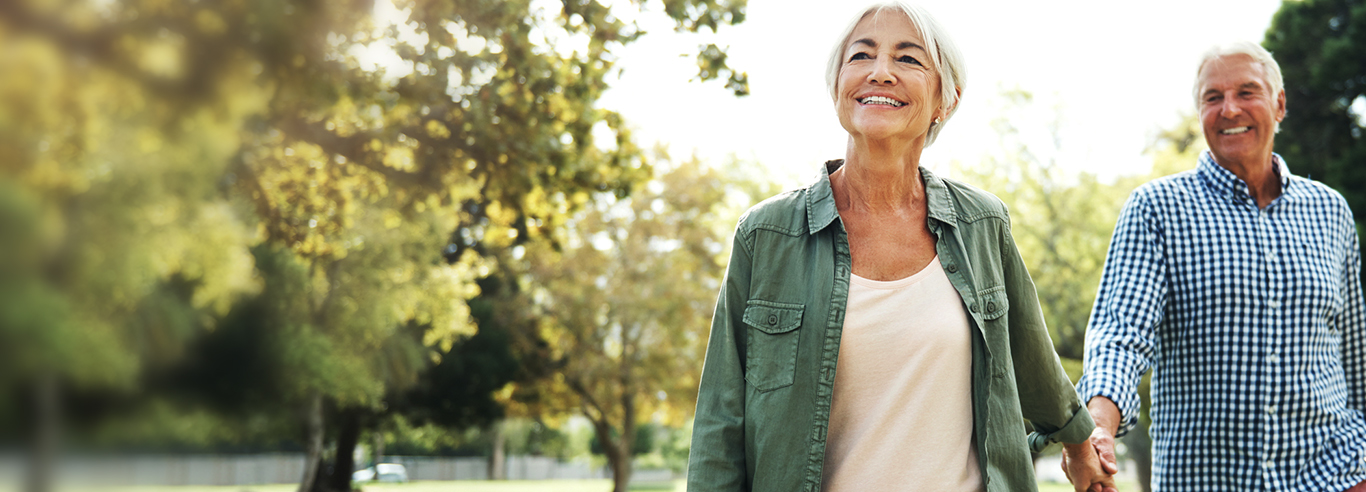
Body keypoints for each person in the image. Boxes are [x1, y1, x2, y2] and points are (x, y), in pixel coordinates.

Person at [686, 3, 1110, 491]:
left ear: (944, 100)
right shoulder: (767, 235)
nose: (881, 72)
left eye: (908, 59)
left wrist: (1081, 446)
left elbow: (1031, 357)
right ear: (838, 87)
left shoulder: (983, 224)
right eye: (861, 56)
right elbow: (720, 423)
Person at [1070, 41, 1366, 491]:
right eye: (1213, 97)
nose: (1229, 109)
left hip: (1331, 476)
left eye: (1247, 92)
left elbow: (1355, 356)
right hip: (1205, 480)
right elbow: (1120, 336)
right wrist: (1098, 427)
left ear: (1279, 104)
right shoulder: (1157, 208)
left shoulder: (1331, 211)